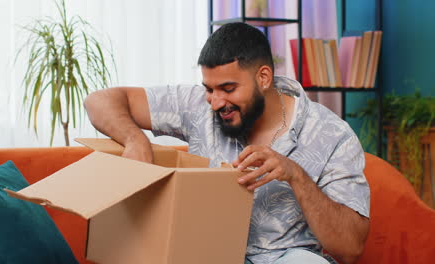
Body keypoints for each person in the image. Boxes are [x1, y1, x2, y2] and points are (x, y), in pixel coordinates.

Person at [84, 22, 370, 264]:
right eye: (209, 89)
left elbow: (351, 247)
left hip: (285, 257)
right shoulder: (197, 106)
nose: (216, 101)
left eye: (228, 89)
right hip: (207, 254)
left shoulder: (332, 135)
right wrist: (135, 140)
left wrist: (295, 175)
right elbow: (99, 101)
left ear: (263, 78)